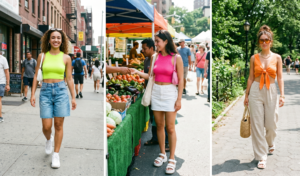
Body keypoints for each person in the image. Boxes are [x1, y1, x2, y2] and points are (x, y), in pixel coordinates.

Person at [132, 30, 183, 174]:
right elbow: (150, 76)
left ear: (166, 41)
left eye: (158, 41)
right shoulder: (155, 57)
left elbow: (181, 80)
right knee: (159, 126)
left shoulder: (176, 58)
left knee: (170, 128)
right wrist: (136, 72)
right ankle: (162, 154)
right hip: (156, 93)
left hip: (170, 93)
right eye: (155, 41)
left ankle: (172, 158)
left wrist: (179, 99)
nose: (156, 44)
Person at [30, 28, 77, 169]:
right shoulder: (42, 56)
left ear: (62, 40)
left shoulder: (66, 57)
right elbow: (35, 75)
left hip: (61, 91)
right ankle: (48, 139)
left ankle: (56, 154)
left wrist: (73, 97)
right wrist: (32, 94)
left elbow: (69, 78)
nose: (56, 40)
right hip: (45, 90)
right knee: (46, 126)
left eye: (58, 38)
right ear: (48, 40)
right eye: (53, 37)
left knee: (58, 125)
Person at [244, 25, 284, 169]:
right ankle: (261, 156)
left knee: (271, 123)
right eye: (261, 40)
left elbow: (280, 77)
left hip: (271, 90)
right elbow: (250, 78)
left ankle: (270, 142)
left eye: (267, 40)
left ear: (271, 41)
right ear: (258, 42)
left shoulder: (277, 57)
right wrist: (246, 95)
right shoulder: (254, 58)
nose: (264, 42)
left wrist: (282, 95)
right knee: (257, 125)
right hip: (255, 90)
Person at [130, 38, 170, 152]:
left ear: (152, 48)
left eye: (144, 48)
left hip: (158, 92)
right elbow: (148, 75)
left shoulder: (159, 58)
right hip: (150, 92)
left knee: (162, 119)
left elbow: (152, 76)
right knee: (153, 117)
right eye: (142, 48)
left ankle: (166, 141)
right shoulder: (147, 59)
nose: (142, 50)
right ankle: (155, 138)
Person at [0, 51, 10, 123]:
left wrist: (7, 84)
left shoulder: (3, 59)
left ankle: (0, 116)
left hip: (1, 82)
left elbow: (7, 72)